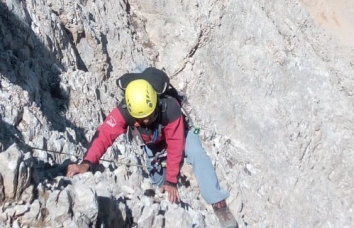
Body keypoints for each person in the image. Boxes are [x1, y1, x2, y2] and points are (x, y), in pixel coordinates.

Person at [66, 67, 238, 228]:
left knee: (196, 153)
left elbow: (176, 144)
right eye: (141, 119)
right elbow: (104, 134)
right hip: (153, 143)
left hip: (180, 133)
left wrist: (172, 180)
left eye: (148, 117)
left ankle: (218, 203)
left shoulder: (170, 107)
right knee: (159, 184)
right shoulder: (125, 109)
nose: (145, 122)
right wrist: (87, 162)